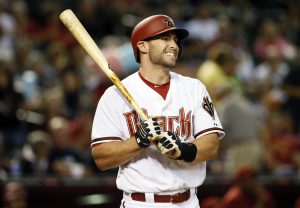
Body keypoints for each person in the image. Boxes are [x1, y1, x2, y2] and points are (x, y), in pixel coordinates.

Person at [91, 14, 225, 208]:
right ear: (142, 46)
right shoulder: (114, 95)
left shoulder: (194, 88)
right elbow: (102, 157)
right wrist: (139, 140)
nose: (174, 45)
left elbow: (211, 146)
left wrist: (182, 150)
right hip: (141, 202)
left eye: (175, 40)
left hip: (188, 201)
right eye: (165, 38)